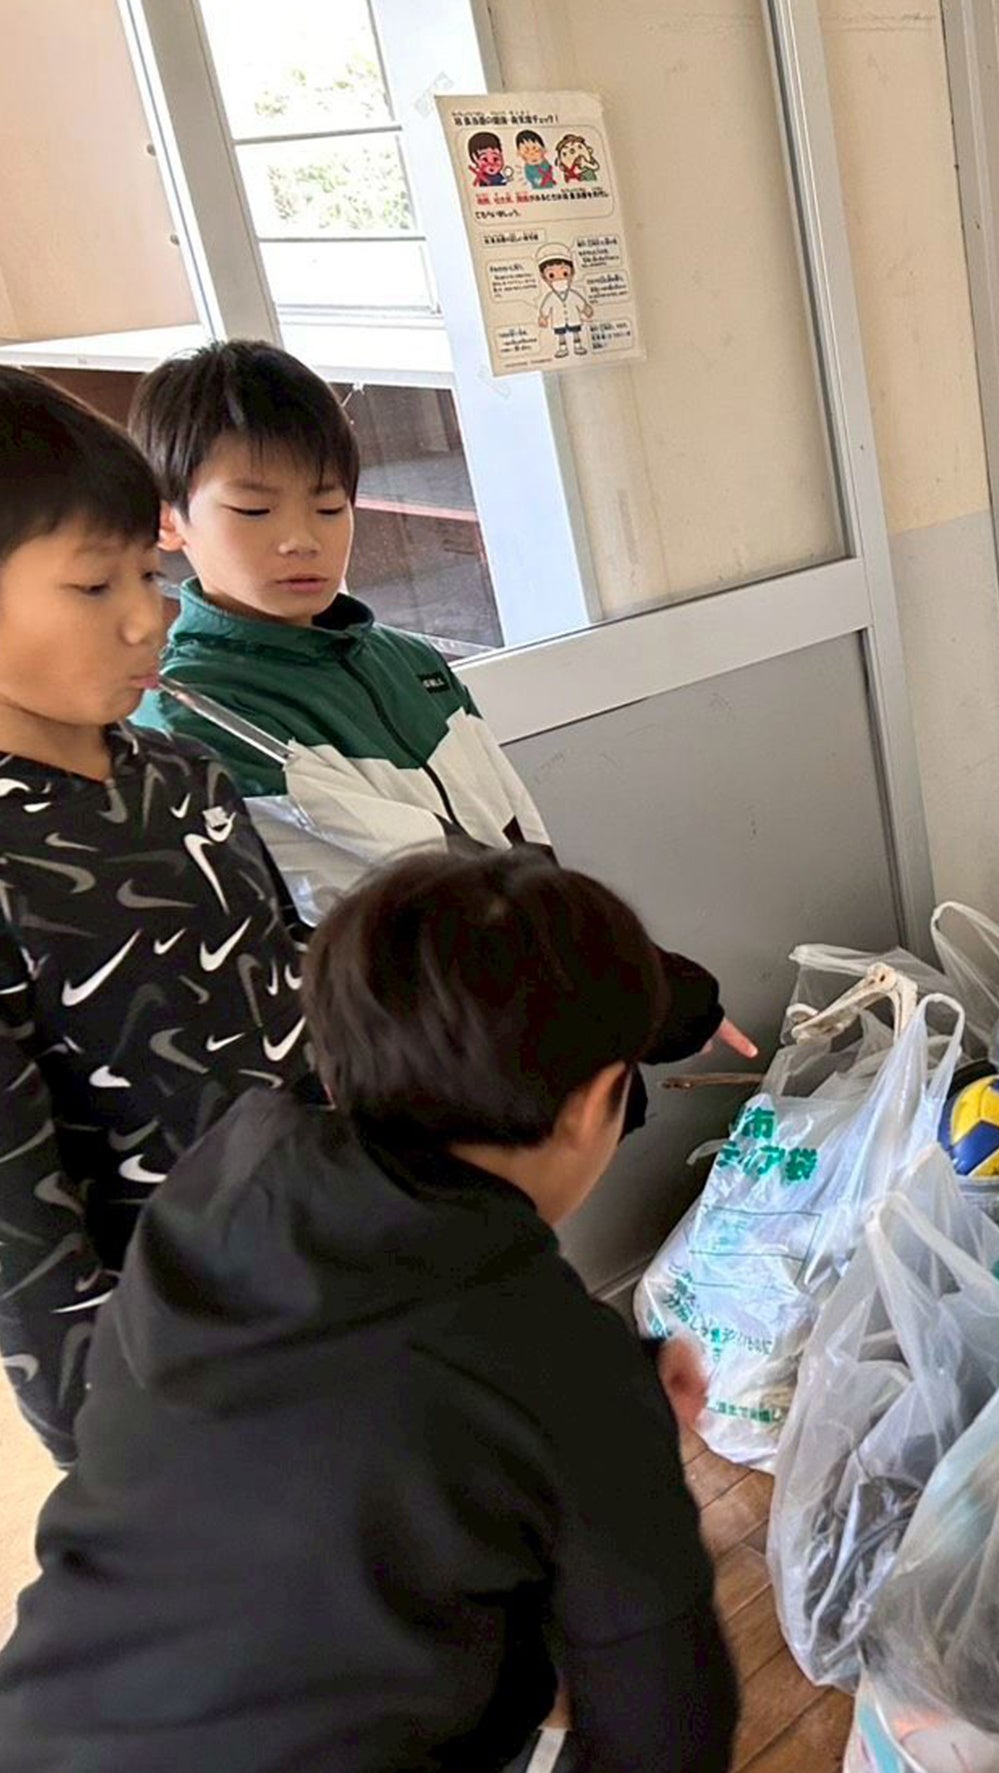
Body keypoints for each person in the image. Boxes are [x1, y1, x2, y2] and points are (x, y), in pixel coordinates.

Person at [0, 851, 742, 1773]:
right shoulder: (565, 1367)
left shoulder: (213, 1191)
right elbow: (667, 1731)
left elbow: (353, 1421)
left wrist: (599, 1425)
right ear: (597, 1104)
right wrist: (614, 1431)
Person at [125, 340, 754, 1077]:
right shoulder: (196, 717)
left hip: (542, 1033)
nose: (302, 539)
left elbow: (515, 856)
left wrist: (633, 987)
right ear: (168, 521)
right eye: (254, 508)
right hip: (430, 1076)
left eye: (329, 505)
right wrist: (644, 994)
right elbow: (421, 901)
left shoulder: (408, 661)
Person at [0, 368, 312, 1465]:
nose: (148, 617)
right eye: (94, 585)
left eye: (148, 570)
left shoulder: (186, 776)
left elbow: (292, 986)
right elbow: (23, 1238)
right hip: (185, 1370)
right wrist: (116, 1464)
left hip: (335, 1261)